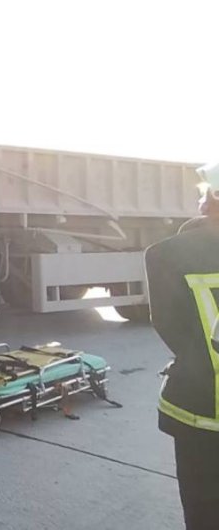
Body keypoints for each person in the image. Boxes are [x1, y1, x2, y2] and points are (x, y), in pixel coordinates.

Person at [145, 161, 219, 529]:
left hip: (199, 414)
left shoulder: (165, 255)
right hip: (199, 413)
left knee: (204, 514)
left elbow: (171, 330)